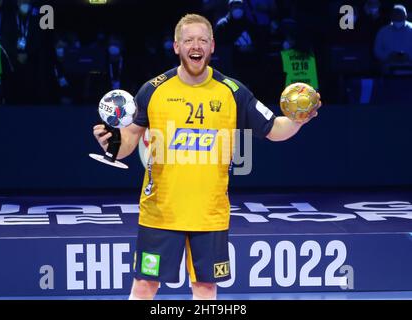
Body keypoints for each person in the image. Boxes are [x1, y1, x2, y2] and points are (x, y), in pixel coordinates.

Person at [93, 13, 321, 300]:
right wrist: (111, 144)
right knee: (144, 286)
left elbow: (274, 128)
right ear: (176, 46)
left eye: (202, 40)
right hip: (160, 214)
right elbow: (127, 143)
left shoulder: (233, 92)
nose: (195, 45)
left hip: (209, 215)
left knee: (205, 289)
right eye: (188, 40)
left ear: (212, 46)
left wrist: (298, 120)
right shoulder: (152, 90)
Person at [374, 4, 412, 73]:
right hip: (388, 69)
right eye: (395, 16)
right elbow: (377, 50)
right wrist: (388, 56)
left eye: (400, 16)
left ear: (406, 16)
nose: (398, 18)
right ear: (391, 17)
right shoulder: (383, 31)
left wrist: (408, 57)